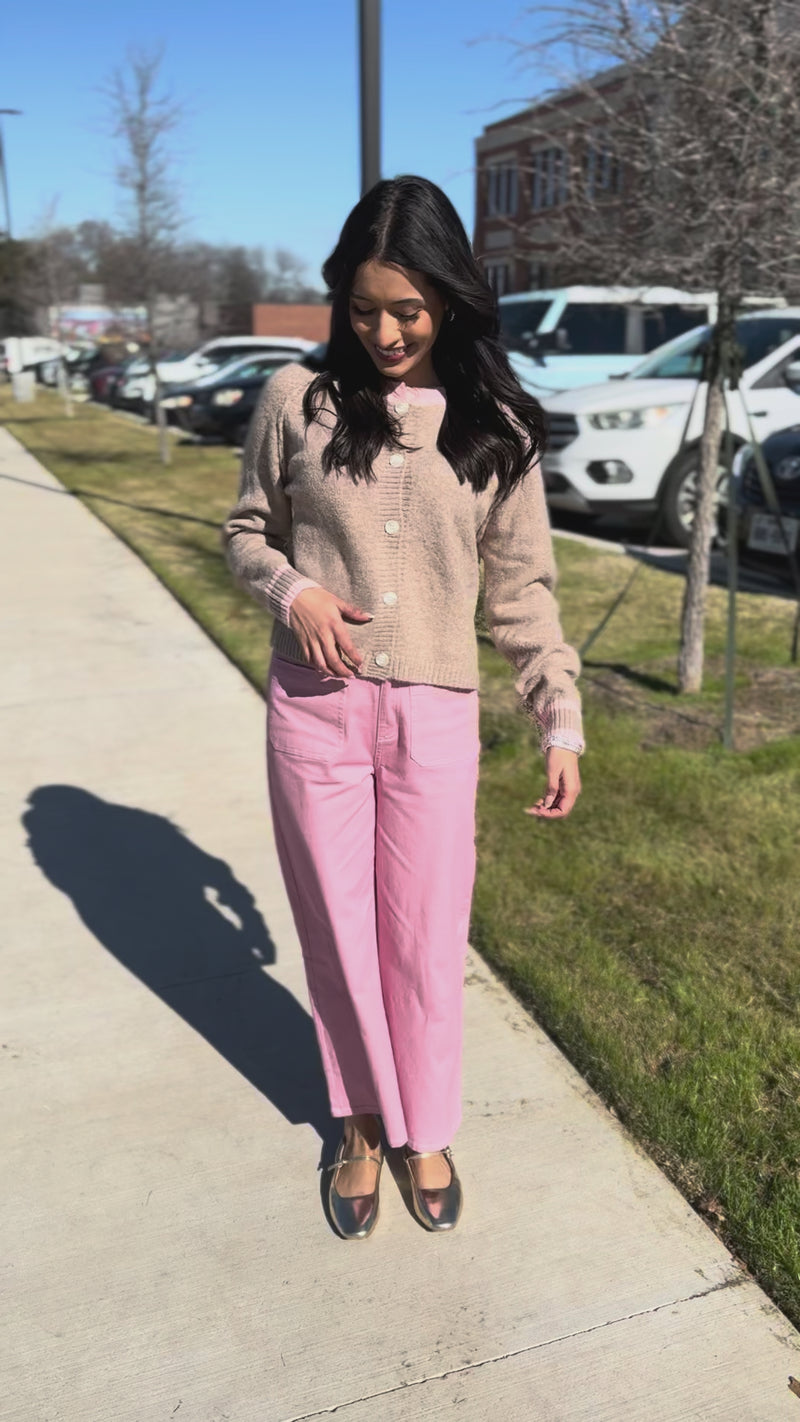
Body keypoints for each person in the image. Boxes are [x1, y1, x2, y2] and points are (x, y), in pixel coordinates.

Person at [221, 175, 584, 1241]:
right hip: (314, 713)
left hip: (431, 719)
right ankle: (360, 1121)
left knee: (423, 938)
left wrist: (555, 715)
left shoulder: (497, 426)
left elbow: (521, 593)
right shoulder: (297, 400)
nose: (382, 331)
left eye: (407, 311)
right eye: (363, 307)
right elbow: (246, 533)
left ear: (450, 303)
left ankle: (425, 1121)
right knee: (335, 934)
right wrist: (294, 590)